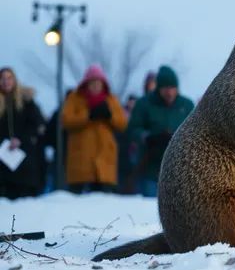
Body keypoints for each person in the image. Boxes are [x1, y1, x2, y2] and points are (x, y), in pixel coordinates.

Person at [126, 65, 194, 197]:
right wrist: (148, 137)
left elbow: (196, 131)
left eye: (173, 88)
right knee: (147, 206)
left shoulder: (186, 105)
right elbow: (132, 129)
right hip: (150, 167)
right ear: (159, 88)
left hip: (178, 170)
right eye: (166, 88)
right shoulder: (144, 104)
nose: (170, 92)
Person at [62, 64, 128, 194]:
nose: (95, 86)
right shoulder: (75, 99)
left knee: (103, 204)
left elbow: (123, 124)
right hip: (81, 163)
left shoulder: (111, 100)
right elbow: (66, 121)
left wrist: (110, 116)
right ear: (86, 83)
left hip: (105, 162)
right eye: (92, 82)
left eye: (98, 82)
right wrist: (88, 115)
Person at [0, 67, 46, 199]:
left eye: (9, 78)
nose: (6, 82)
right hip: (3, 160)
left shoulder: (26, 102)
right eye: (2, 78)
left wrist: (20, 139)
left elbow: (37, 125)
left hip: (26, 160)